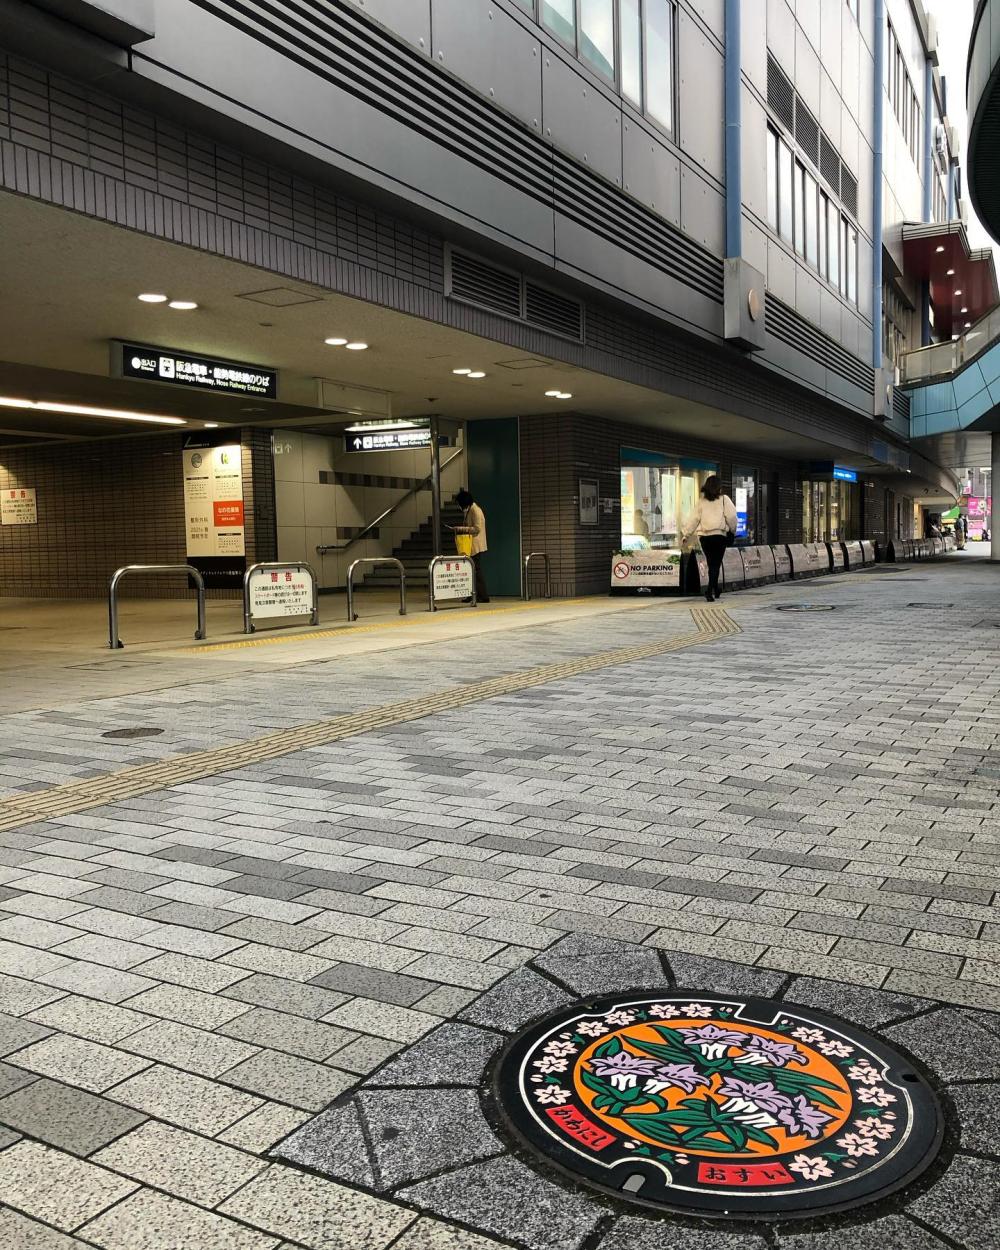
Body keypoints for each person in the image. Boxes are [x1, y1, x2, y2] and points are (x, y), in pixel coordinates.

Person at [681, 475, 738, 602]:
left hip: (705, 538)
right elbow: (732, 517)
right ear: (719, 487)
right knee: (715, 564)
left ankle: (716, 589)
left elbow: (693, 519)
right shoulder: (724, 499)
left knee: (711, 563)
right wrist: (733, 530)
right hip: (719, 536)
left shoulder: (701, 502)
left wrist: (686, 534)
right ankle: (709, 591)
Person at [453, 488, 490, 603]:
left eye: (459, 503)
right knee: (471, 570)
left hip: (475, 545)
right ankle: (472, 594)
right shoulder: (470, 509)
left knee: (476, 570)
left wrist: (461, 529)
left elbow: (477, 528)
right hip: (470, 545)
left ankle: (483, 596)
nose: (459, 506)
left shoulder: (475, 510)